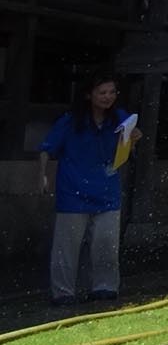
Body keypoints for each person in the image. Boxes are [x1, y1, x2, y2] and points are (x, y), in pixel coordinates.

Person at [38, 72, 140, 305]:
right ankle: (63, 292)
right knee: (67, 247)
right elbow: (47, 148)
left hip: (107, 190)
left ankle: (105, 288)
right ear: (89, 95)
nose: (108, 97)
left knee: (106, 244)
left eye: (112, 92)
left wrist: (135, 137)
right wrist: (42, 176)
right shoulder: (70, 120)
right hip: (73, 190)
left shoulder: (120, 118)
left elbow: (128, 145)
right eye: (102, 92)